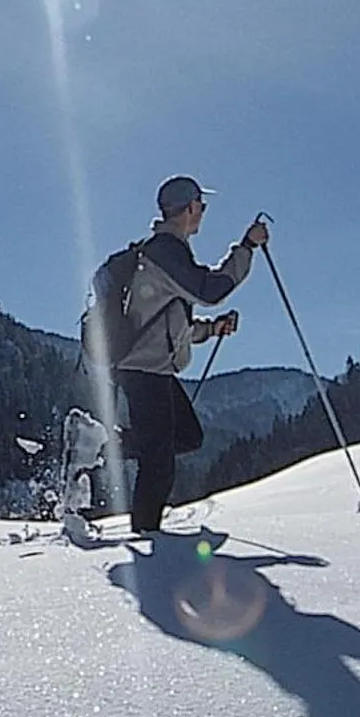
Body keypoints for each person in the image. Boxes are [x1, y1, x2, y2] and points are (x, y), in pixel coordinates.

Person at [113, 175, 270, 534]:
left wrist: (211, 330)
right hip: (143, 371)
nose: (203, 213)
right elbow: (210, 289)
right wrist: (246, 247)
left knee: (187, 438)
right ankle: (148, 538)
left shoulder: (168, 252)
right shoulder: (165, 251)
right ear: (189, 208)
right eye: (201, 206)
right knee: (159, 461)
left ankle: (106, 444)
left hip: (154, 369)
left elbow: (168, 324)